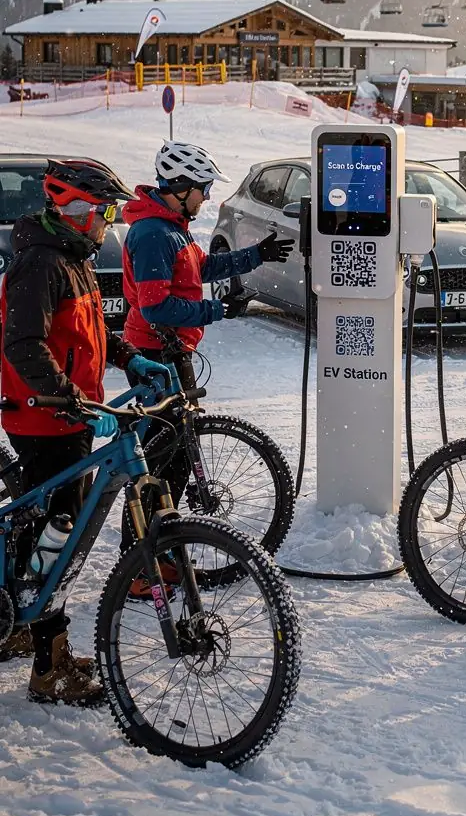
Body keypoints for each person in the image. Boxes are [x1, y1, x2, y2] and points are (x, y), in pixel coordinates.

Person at [0, 159, 168, 706]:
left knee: (50, 527)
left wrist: (129, 358)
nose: (111, 223)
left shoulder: (74, 257)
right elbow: (24, 344)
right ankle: (49, 666)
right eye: (107, 212)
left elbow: (88, 330)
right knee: (61, 535)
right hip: (41, 414)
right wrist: (70, 402)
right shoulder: (41, 263)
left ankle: (25, 621)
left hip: (67, 413)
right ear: (77, 212)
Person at [121, 141, 294, 565]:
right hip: (154, 354)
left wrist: (257, 255)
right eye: (203, 188)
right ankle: (141, 561)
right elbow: (154, 305)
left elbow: (204, 268)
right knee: (157, 463)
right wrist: (215, 309)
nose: (208, 196)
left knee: (176, 456)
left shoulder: (171, 225)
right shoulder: (152, 234)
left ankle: (160, 548)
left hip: (173, 349)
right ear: (180, 186)